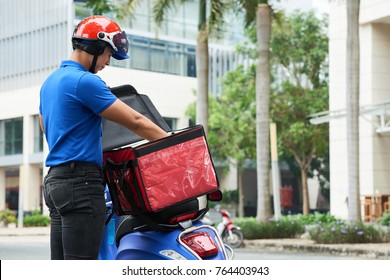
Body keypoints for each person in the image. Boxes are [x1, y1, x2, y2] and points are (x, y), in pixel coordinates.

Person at [39, 15, 168, 260]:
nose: (108, 62)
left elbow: (45, 125)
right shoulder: (85, 82)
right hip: (82, 184)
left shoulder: (50, 82)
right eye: (109, 54)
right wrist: (174, 147)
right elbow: (137, 121)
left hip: (55, 183)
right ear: (96, 47)